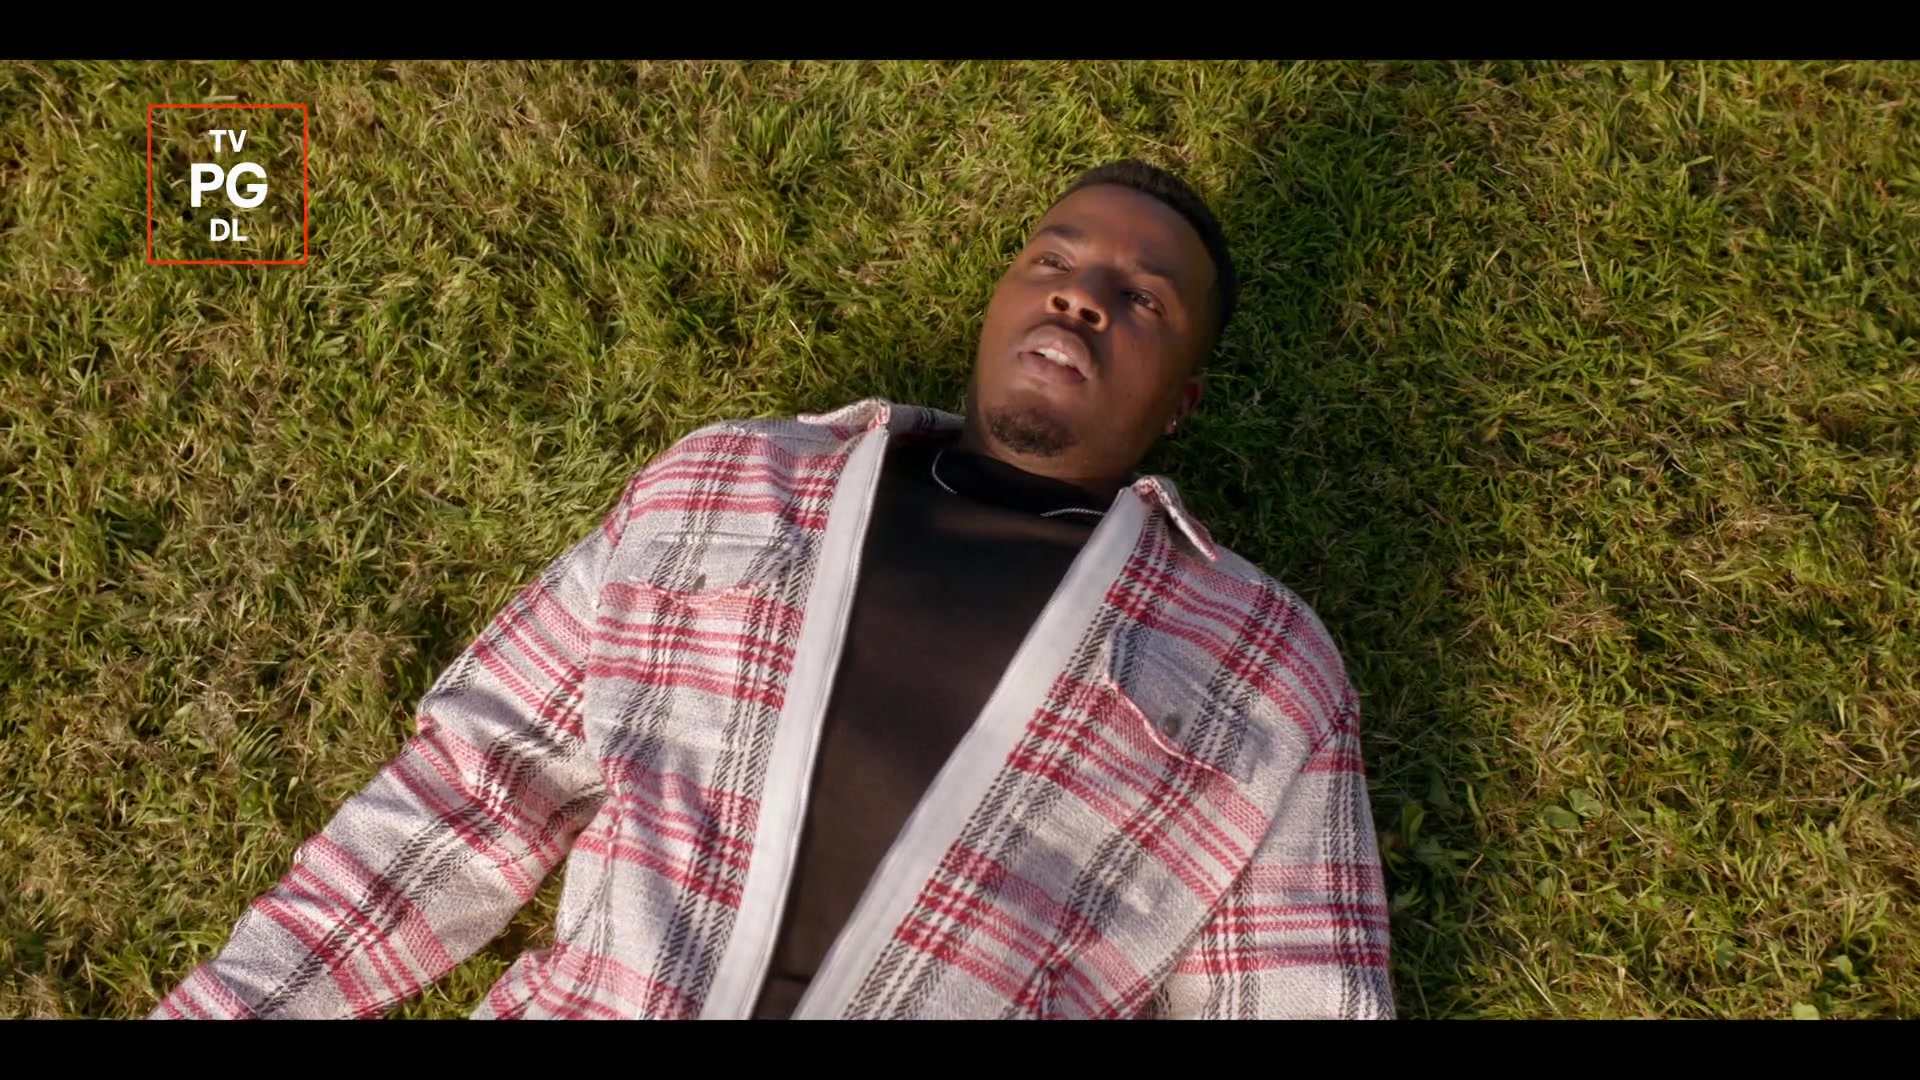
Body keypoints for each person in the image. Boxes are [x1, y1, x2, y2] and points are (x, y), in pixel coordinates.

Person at [151, 160, 1394, 1021]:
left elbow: (1294, 995)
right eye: (1052, 259)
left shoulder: (1261, 663)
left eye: (1142, 297)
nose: (1082, 293)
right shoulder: (728, 483)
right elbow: (471, 787)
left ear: (1181, 402)